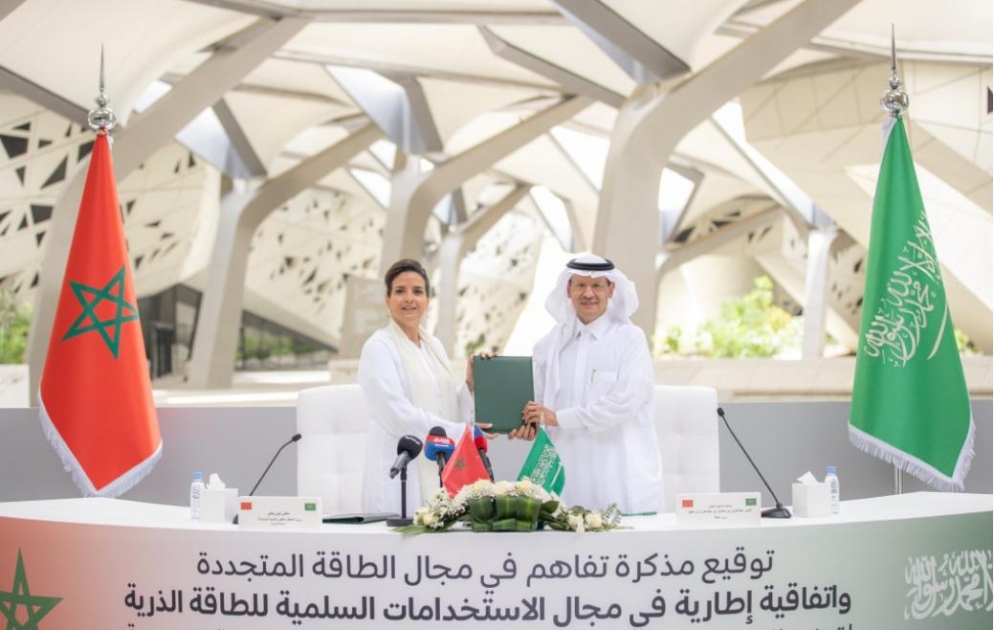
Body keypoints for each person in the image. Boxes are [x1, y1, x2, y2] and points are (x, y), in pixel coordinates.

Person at [513, 253, 663, 514]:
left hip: (616, 475)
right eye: (580, 285)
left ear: (611, 289)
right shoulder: (551, 343)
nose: (588, 293)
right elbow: (535, 400)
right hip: (564, 474)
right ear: (568, 289)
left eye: (597, 285)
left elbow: (625, 402)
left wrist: (558, 418)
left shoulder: (630, 339)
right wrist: (525, 422)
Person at [358, 259, 477, 514]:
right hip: (403, 474)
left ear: (428, 300)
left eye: (417, 291)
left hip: (439, 466)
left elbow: (445, 405)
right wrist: (458, 433)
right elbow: (397, 413)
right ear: (387, 299)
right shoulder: (379, 347)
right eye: (400, 291)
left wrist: (469, 385)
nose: (409, 299)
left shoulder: (433, 346)